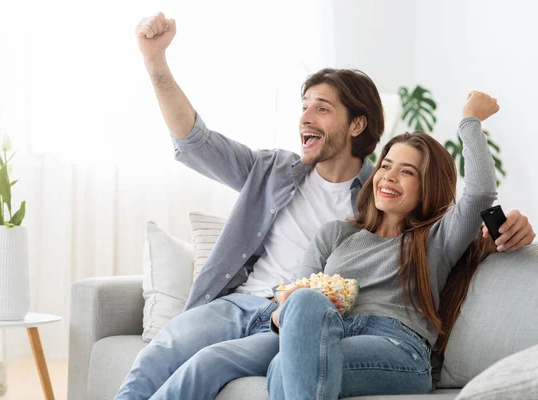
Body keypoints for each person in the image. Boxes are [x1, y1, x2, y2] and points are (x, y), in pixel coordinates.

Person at [114, 12, 536, 400]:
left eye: (322, 108)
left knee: (299, 330)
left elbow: (476, 198)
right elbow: (198, 143)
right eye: (303, 106)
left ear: (356, 125)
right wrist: (156, 64)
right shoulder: (317, 213)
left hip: (368, 334)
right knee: (204, 355)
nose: (305, 117)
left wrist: (471, 127)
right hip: (292, 319)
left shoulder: (414, 225)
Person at [266, 92, 502, 399]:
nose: (388, 178)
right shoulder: (335, 235)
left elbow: (481, 193)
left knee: (286, 367)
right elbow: (296, 307)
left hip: (398, 347)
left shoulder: (437, 238)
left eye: (406, 172)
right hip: (333, 335)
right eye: (386, 166)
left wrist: (471, 119)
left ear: (427, 185)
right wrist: (286, 309)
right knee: (301, 311)